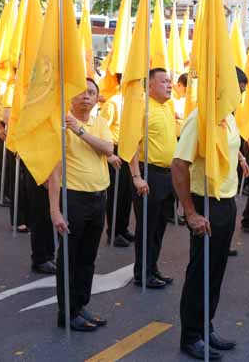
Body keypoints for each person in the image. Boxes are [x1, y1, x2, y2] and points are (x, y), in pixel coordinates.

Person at [173, 68, 249, 360]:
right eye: (237, 89)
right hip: (205, 202)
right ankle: (190, 336)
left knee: (216, 271)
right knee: (200, 271)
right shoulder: (200, 118)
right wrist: (190, 213)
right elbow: (179, 164)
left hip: (226, 201)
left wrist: (240, 157)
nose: (239, 96)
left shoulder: (228, 116)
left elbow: (228, 144)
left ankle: (206, 326)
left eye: (241, 90)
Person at [49, 78, 112, 332]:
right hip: (73, 198)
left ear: (97, 98)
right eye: (81, 92)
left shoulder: (100, 123)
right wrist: (54, 210)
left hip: (99, 196)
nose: (86, 96)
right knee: (69, 259)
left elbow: (108, 148)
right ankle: (67, 311)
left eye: (92, 92)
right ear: (70, 97)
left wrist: (81, 130)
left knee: (88, 258)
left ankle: (80, 305)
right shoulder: (60, 126)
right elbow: (53, 173)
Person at [130, 68, 178, 289]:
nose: (169, 85)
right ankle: (142, 273)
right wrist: (137, 177)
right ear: (150, 85)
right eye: (164, 81)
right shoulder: (142, 109)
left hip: (168, 176)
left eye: (170, 81)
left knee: (159, 226)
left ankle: (153, 268)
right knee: (147, 227)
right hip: (149, 173)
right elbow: (130, 144)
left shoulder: (167, 107)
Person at [100, 73, 136, 247]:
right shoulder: (113, 103)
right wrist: (109, 154)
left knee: (127, 193)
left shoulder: (134, 103)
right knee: (116, 193)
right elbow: (103, 129)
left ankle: (123, 228)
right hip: (115, 149)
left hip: (129, 150)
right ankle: (113, 232)